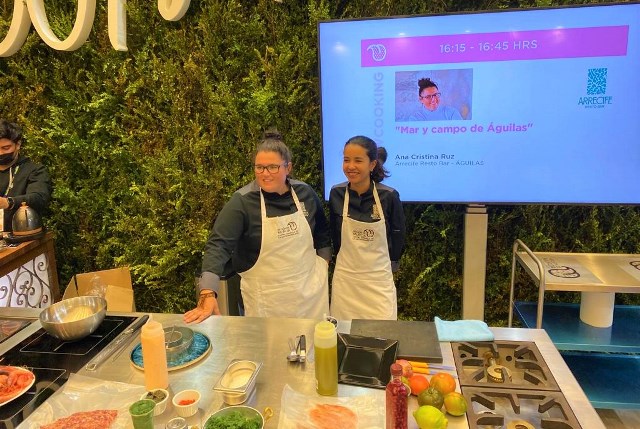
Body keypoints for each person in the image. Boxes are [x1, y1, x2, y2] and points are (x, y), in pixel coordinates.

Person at [183, 129, 331, 323]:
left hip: (311, 297)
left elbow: (322, 232)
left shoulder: (305, 193)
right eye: (259, 167)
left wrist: (323, 265)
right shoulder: (242, 202)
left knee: (316, 349)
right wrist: (208, 291)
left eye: (272, 167)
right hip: (268, 304)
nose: (265, 174)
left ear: (288, 167)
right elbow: (218, 245)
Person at [329, 136, 406, 321]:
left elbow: (398, 235)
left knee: (382, 334)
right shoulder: (337, 194)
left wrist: (391, 262)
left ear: (372, 164)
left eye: (358, 160)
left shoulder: (388, 196)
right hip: (346, 281)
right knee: (344, 334)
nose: (350, 166)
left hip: (378, 281)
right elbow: (335, 234)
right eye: (346, 160)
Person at [0, 120, 52, 233]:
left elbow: (39, 198)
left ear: (18, 144)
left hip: (22, 237)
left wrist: (8, 202)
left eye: (6, 148)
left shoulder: (34, 170)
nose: (1, 153)